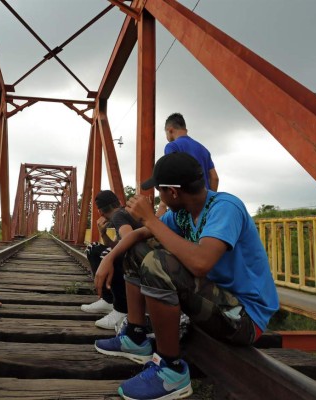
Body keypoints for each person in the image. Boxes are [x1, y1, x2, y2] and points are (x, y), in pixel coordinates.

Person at [94, 153, 279, 400]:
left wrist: (150, 218)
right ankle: (135, 337)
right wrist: (109, 258)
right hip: (217, 301)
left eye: (159, 191)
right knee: (136, 250)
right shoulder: (183, 213)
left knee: (158, 263)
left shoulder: (225, 208)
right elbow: (138, 236)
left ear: (172, 192)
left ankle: (171, 371)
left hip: (244, 317)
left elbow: (201, 263)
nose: (158, 197)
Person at [81, 190, 142, 330]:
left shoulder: (118, 216)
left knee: (107, 254)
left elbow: (129, 239)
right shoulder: (124, 213)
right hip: (139, 258)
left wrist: (110, 256)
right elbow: (117, 245)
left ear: (101, 212)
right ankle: (109, 300)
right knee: (95, 248)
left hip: (137, 261)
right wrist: (103, 233)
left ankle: (122, 310)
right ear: (118, 202)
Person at [156, 112, 219, 217]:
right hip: (204, 205)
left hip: (185, 206)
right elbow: (215, 178)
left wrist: (162, 206)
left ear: (170, 130)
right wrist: (208, 203)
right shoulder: (203, 149)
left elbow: (170, 177)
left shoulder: (172, 146)